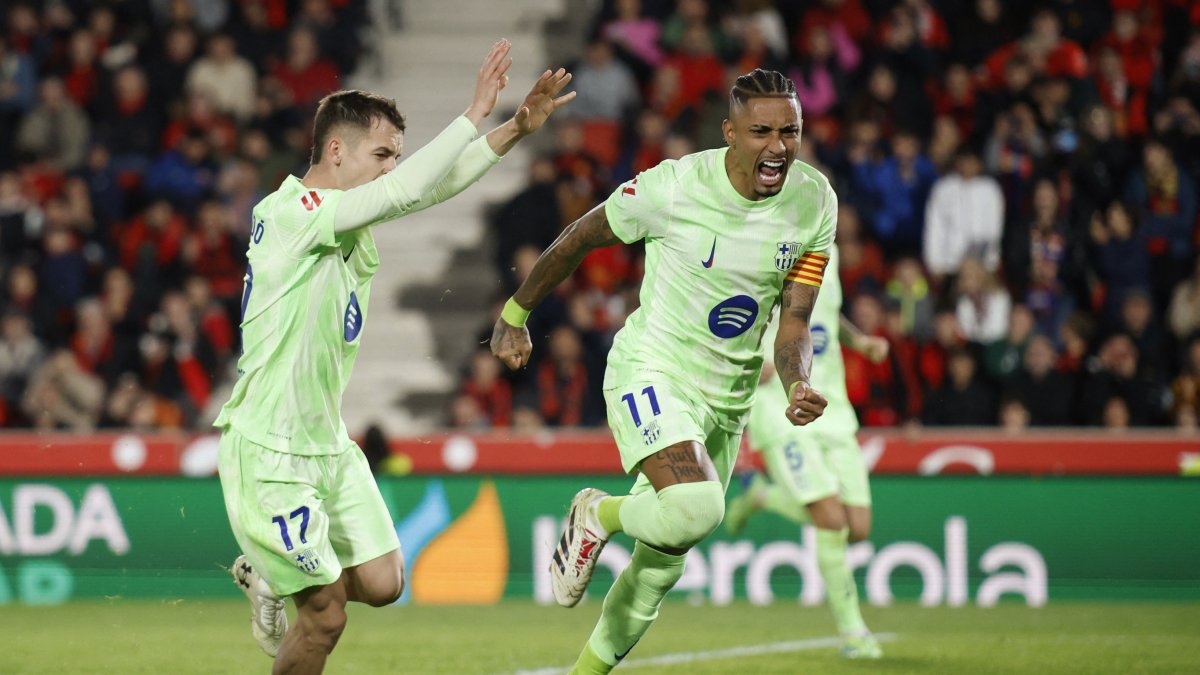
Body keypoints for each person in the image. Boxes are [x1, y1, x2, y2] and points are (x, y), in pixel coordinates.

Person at [216, 40, 574, 674]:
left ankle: (273, 578)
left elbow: (422, 192)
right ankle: (288, 586)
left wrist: (513, 130)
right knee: (326, 614)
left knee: (383, 582)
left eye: (395, 158)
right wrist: (472, 114)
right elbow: (410, 188)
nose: (390, 169)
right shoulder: (292, 211)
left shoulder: (348, 224)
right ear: (335, 150)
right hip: (270, 449)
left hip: (327, 444)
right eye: (381, 154)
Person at [491, 68, 833, 674]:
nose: (778, 146)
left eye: (791, 131)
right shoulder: (674, 187)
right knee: (698, 508)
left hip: (726, 399)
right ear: (730, 132)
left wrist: (797, 381)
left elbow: (795, 324)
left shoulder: (814, 201)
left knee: (660, 563)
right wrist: (517, 312)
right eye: (761, 132)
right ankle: (598, 513)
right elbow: (577, 238)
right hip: (654, 368)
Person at [723, 243, 888, 659]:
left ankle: (762, 495)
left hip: (834, 406)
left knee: (859, 527)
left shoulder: (825, 252)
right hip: (781, 404)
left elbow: (828, 314)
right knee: (830, 520)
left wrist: (860, 342)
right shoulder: (762, 248)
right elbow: (733, 314)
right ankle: (854, 633)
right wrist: (745, 362)